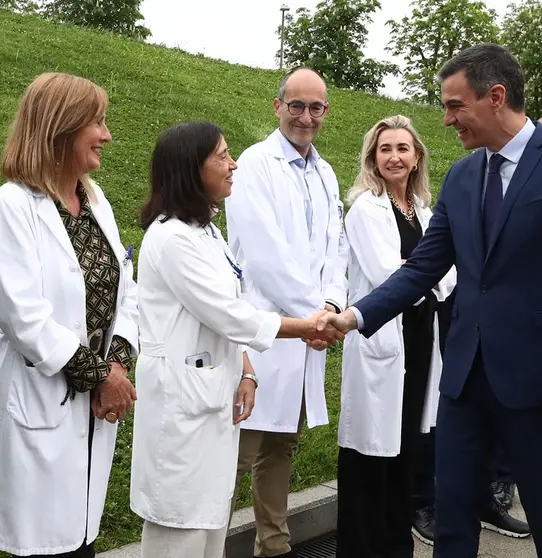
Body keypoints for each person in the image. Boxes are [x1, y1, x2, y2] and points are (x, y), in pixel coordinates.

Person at [318, 44, 542, 558]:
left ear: (496, 96)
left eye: (455, 106)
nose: (446, 120)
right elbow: (422, 269)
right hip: (463, 382)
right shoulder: (463, 176)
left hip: (540, 385)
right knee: (453, 512)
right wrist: (354, 316)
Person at [129, 121, 342, 558]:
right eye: (222, 156)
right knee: (180, 529)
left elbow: (229, 304)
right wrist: (305, 327)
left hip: (212, 396)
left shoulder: (206, 232)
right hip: (183, 409)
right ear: (192, 170)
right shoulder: (171, 238)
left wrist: (247, 370)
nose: (234, 164)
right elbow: (228, 314)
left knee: (209, 530)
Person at [0, 72, 140, 557]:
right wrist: (99, 377)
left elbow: (126, 290)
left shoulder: (94, 201)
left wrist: (117, 364)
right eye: (98, 122)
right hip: (43, 394)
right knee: (44, 544)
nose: (107, 135)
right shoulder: (13, 206)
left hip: (92, 405)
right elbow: (22, 316)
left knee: (80, 538)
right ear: (61, 127)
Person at [224, 67, 349, 558]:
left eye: (315, 107)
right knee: (238, 454)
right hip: (267, 335)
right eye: (296, 105)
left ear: (326, 113)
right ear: (277, 107)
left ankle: (272, 548)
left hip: (308, 332)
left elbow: (338, 249)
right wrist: (316, 318)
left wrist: (333, 306)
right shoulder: (255, 165)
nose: (305, 116)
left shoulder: (325, 171)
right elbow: (262, 254)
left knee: (281, 449)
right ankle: (201, 545)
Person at [336, 115, 457, 557]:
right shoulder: (366, 209)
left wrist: (428, 275)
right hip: (382, 338)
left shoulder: (423, 210)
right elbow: (391, 274)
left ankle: (394, 544)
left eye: (402, 148)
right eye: (385, 149)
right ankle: (363, 546)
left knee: (404, 443)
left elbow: (448, 275)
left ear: (417, 156)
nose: (394, 157)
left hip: (421, 339)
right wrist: (428, 274)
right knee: (370, 452)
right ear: (373, 157)